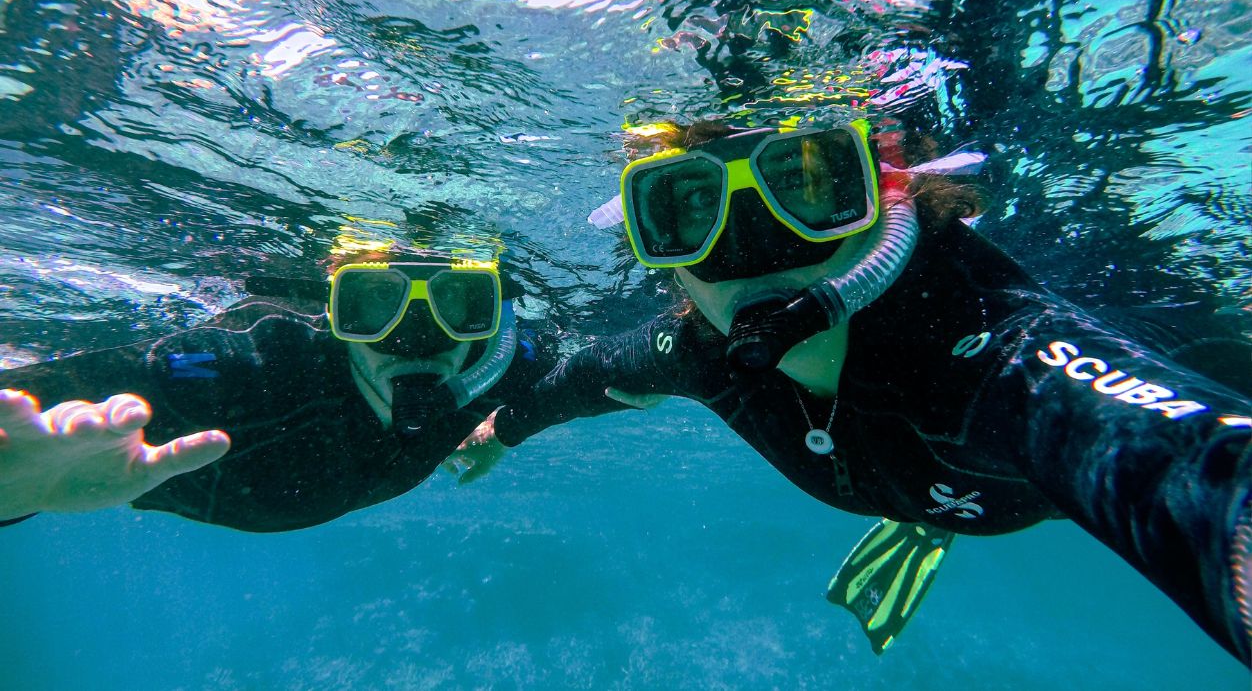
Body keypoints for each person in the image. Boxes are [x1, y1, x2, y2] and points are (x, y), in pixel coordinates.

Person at [477, 117, 1252, 662]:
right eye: (688, 208)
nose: (751, 248)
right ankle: (928, 517)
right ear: (663, 256)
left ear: (891, 204)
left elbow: (1187, 467)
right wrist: (501, 430)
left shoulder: (1001, 352)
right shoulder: (696, 350)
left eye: (810, 186)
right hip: (928, 486)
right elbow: (581, 378)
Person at [0, 248, 542, 532]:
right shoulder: (248, 369)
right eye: (375, 301)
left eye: (459, 303)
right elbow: (25, 417)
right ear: (333, 311)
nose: (417, 339)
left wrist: (511, 426)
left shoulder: (505, 363)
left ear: (491, 313)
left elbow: (605, 366)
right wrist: (18, 493)